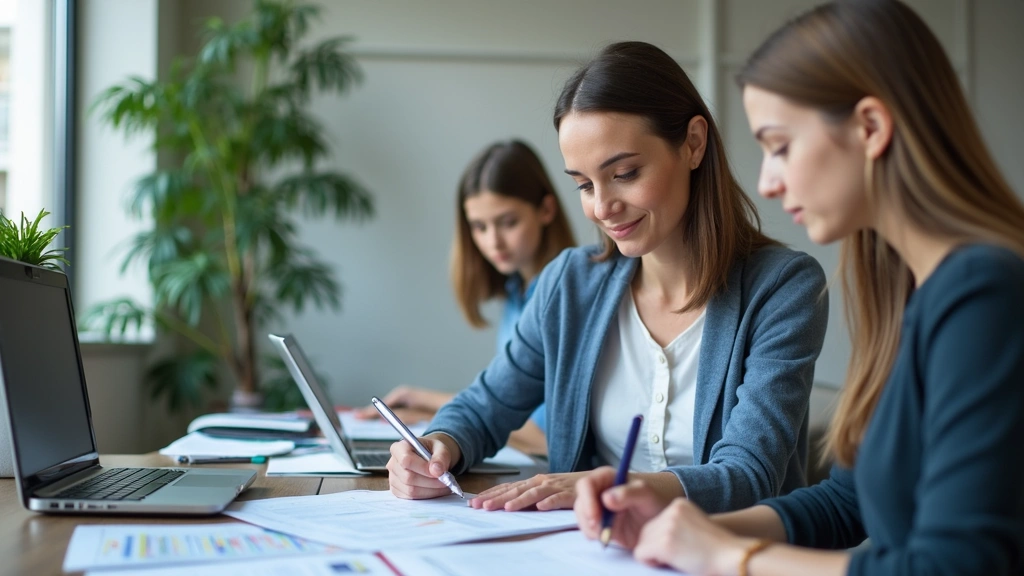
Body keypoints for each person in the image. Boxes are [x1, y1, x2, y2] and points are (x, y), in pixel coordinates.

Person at [572, 2, 1024, 575]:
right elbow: (849, 500)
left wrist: (731, 556)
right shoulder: (908, 289)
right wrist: (678, 525)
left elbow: (956, 566)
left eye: (780, 145)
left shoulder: (983, 294)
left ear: (871, 128)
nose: (768, 180)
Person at [386, 40, 829, 515]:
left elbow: (749, 474)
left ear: (694, 144)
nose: (601, 206)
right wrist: (437, 446)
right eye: (583, 184)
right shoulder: (569, 284)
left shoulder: (783, 288)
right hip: (588, 550)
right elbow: (483, 406)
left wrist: (601, 487)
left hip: (721, 553)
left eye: (625, 172)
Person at [355, 139, 577, 456]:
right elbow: (505, 403)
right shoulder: (517, 291)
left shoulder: (561, 297)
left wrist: (429, 408)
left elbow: (546, 436)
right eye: (479, 227)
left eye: (508, 222)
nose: (493, 241)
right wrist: (427, 405)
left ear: (546, 209)